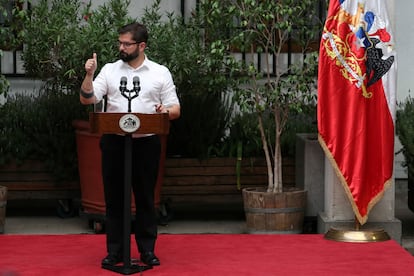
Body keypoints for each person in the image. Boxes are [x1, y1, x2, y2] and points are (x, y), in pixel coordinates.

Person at [79, 22, 180, 267]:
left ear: (141, 45)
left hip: (146, 144)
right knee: (115, 199)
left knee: (145, 198)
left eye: (127, 44)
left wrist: (163, 111)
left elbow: (175, 108)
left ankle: (147, 251)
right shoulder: (110, 71)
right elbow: (87, 99)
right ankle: (116, 251)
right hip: (114, 143)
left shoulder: (159, 72)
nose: (121, 48)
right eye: (120, 43)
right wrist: (89, 76)